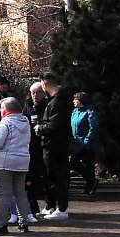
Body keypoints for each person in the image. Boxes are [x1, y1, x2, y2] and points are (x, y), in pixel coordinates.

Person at [0, 98, 33, 234]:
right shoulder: (25, 122)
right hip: (23, 160)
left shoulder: (4, 123)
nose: (0, 111)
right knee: (20, 193)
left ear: (6, 110)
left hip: (5, 162)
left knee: (5, 194)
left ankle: (2, 224)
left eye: (1, 108)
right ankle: (24, 223)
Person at [35, 74, 73, 220]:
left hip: (55, 145)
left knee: (57, 177)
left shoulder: (57, 102)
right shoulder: (58, 101)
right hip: (55, 145)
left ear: (44, 85)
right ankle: (52, 205)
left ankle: (61, 208)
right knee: (51, 177)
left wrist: (40, 128)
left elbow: (55, 125)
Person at [21, 82, 49, 215]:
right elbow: (22, 120)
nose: (35, 96)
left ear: (44, 93)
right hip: (30, 144)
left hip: (44, 144)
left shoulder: (48, 105)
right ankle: (33, 207)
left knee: (46, 174)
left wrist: (40, 122)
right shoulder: (28, 106)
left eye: (38, 92)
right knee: (30, 176)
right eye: (33, 93)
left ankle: (49, 203)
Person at [71, 92, 100, 195]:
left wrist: (87, 139)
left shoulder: (89, 111)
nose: (73, 101)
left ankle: (89, 185)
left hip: (88, 143)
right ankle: (91, 181)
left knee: (88, 164)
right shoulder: (74, 112)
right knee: (74, 162)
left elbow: (93, 127)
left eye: (75, 99)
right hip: (77, 143)